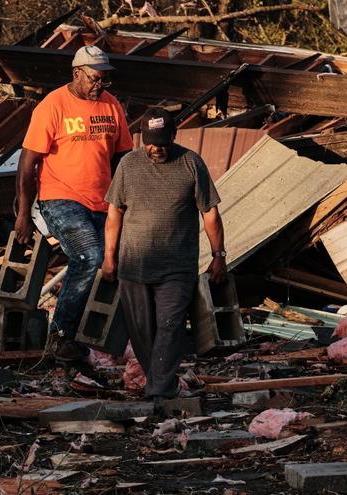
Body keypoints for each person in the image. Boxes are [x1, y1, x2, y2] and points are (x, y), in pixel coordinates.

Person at [14, 45, 134, 362]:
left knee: (118, 263)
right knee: (89, 256)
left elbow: (123, 158)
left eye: (105, 80)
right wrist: (24, 214)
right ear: (77, 73)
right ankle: (61, 337)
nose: (100, 85)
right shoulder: (52, 106)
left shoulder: (112, 107)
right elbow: (26, 165)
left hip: (103, 202)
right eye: (95, 78)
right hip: (60, 198)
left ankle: (104, 340)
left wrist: (127, 204)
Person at [102, 107, 226, 407]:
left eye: (162, 141)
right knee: (142, 330)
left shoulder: (190, 163)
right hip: (134, 265)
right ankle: (160, 383)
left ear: (174, 135)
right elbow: (114, 213)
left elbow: (209, 212)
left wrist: (218, 254)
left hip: (177, 266)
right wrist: (109, 256)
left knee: (170, 325)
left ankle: (159, 392)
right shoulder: (128, 165)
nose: (156, 147)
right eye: (150, 141)